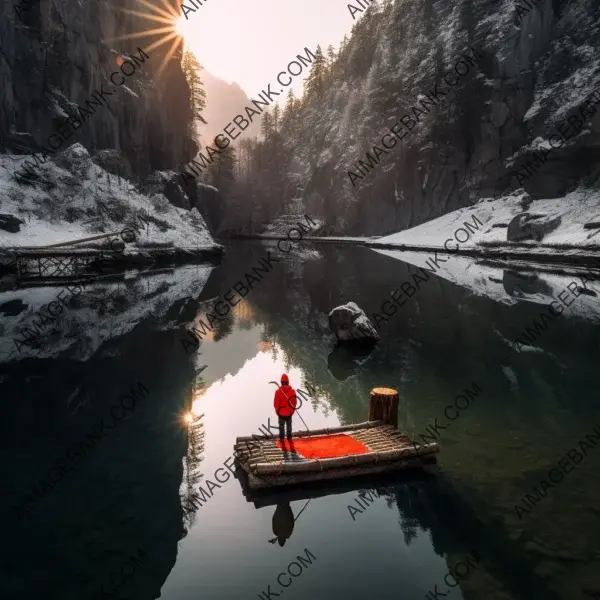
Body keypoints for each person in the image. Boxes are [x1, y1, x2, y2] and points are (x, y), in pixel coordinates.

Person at [274, 373, 297, 442]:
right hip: (289, 413)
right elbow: (294, 403)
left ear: (281, 382)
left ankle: (282, 440)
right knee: (289, 427)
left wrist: (277, 412)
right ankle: (289, 440)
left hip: (281, 413)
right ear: (288, 382)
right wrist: (291, 412)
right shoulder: (293, 391)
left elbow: (276, 404)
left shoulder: (278, 392)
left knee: (281, 427)